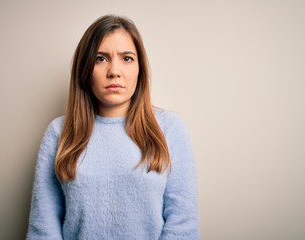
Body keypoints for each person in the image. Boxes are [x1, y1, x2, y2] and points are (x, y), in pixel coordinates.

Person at [26, 14, 199, 240]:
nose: (114, 71)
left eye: (127, 58)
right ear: (84, 69)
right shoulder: (59, 133)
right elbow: (43, 229)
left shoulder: (169, 128)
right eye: (100, 58)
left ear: (140, 69)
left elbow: (183, 225)